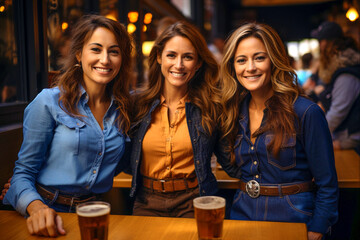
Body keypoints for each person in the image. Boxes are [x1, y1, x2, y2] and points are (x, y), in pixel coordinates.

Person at [2, 15, 133, 237]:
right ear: (79, 54)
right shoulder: (49, 102)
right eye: (96, 49)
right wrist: (35, 206)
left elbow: (117, 162)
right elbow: (22, 174)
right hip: (46, 208)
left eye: (114, 51)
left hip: (95, 211)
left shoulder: (124, 109)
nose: (105, 59)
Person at [219, 22, 338, 240]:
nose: (250, 67)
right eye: (241, 60)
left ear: (274, 60)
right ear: (232, 67)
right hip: (242, 213)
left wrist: (317, 229)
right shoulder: (231, 112)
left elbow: (327, 184)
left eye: (259, 58)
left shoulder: (306, 111)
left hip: (293, 217)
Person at [129, 21, 240, 217]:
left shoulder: (210, 107)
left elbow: (230, 162)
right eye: (171, 55)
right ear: (158, 57)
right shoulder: (137, 104)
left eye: (187, 57)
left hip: (196, 200)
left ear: (198, 63)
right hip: (147, 202)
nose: (178, 65)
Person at [311, 21, 360, 150]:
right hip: (344, 136)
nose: (319, 47)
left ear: (326, 44)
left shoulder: (346, 74)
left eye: (320, 42)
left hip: (349, 140)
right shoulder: (340, 70)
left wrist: (314, 135)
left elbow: (337, 112)